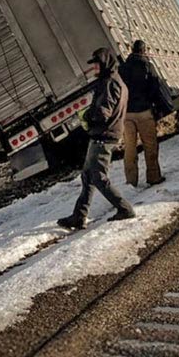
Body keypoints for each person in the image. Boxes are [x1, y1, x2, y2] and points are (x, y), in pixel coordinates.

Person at [57, 47, 136, 229]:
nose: (94, 69)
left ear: (105, 63)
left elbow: (103, 113)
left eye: (96, 65)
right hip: (104, 135)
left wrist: (86, 115)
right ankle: (79, 216)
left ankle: (124, 208)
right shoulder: (117, 81)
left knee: (98, 177)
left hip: (104, 136)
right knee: (87, 177)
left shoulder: (109, 83)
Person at [119, 40, 173, 187]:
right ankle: (153, 177)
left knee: (129, 149)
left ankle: (131, 181)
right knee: (150, 146)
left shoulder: (122, 68)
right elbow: (156, 86)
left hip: (127, 114)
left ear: (131, 50)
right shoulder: (147, 66)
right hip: (144, 112)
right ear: (144, 50)